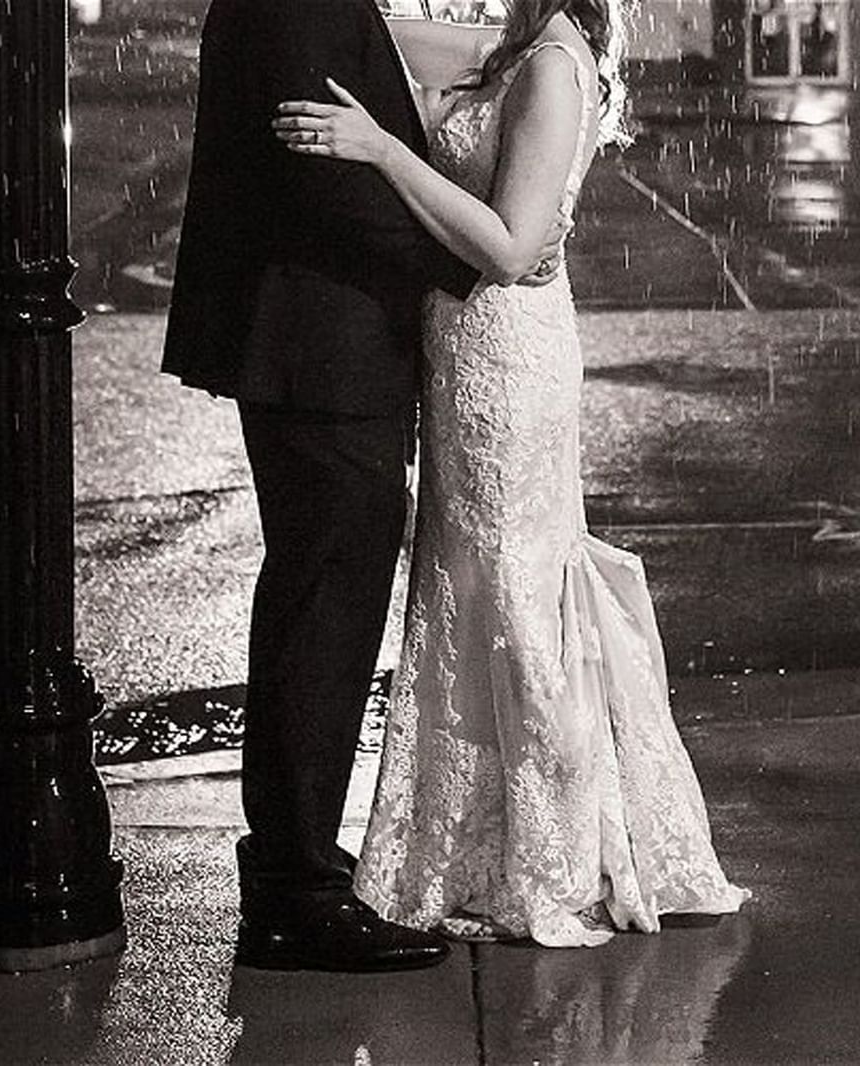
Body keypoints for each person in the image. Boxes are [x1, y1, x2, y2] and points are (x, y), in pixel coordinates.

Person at [274, 0, 751, 947]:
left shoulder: (551, 66)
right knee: (467, 591)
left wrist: (384, 150)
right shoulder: (519, 50)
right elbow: (415, 56)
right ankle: (465, 842)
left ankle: (547, 847)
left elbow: (510, 245)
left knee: (515, 590)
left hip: (508, 357)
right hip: (461, 349)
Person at [161, 0, 563, 971]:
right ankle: (294, 892)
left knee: (323, 595)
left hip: (321, 344)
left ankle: (296, 860)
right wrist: (472, 262)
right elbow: (320, 183)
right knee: (325, 602)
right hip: (319, 346)